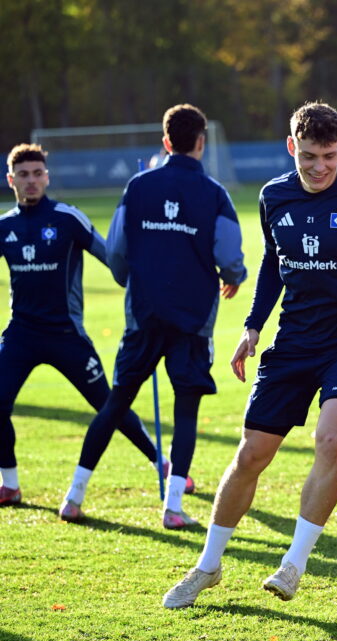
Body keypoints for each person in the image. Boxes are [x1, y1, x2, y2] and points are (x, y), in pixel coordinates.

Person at [163, 102, 337, 608]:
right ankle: (207, 566)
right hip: (292, 343)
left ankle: (293, 565)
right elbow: (271, 264)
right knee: (251, 455)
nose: (318, 166)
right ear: (291, 148)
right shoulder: (273, 196)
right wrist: (252, 328)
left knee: (331, 439)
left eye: (327, 156)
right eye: (308, 156)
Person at [62, 105, 246, 528]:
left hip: (143, 317)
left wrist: (131, 280)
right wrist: (234, 276)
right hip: (192, 320)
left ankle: (73, 496)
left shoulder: (137, 186)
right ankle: (174, 508)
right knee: (186, 412)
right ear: (202, 142)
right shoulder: (216, 193)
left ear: (165, 142)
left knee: (115, 404)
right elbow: (230, 257)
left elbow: (116, 251)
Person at [0, 144, 165, 507]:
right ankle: (9, 483)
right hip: (21, 335)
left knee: (109, 405)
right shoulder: (5, 226)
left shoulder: (67, 218)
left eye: (37, 173)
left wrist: (145, 275)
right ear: (11, 180)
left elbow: (113, 260)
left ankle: (161, 463)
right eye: (23, 175)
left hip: (65, 335)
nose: (31, 181)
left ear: (47, 176)